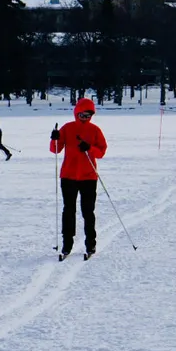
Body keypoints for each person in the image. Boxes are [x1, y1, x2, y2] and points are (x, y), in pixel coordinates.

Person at [50, 98, 108, 258]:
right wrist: (54, 138)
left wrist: (90, 148)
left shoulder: (95, 130)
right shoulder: (67, 128)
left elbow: (102, 151)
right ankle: (67, 243)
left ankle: (91, 244)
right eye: (82, 114)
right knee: (68, 210)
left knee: (88, 211)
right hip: (68, 176)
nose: (84, 118)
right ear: (76, 113)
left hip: (89, 177)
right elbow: (55, 149)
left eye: (88, 115)